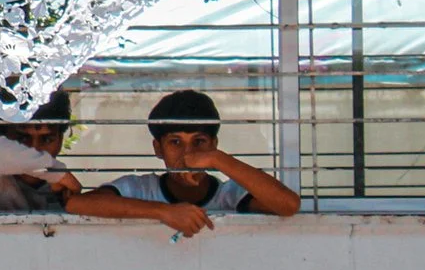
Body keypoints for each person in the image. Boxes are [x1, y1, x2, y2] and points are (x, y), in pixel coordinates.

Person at [68, 89, 299, 238]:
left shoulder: (229, 194)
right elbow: (76, 205)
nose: (188, 154)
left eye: (199, 142)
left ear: (213, 144)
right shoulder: (140, 189)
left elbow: (288, 205)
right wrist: (164, 212)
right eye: (175, 142)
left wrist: (218, 159)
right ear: (158, 148)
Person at [0, 89, 81, 212]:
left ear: (60, 140)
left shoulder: (61, 192)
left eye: (47, 139)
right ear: (2, 136)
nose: (35, 148)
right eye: (22, 138)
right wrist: (56, 172)